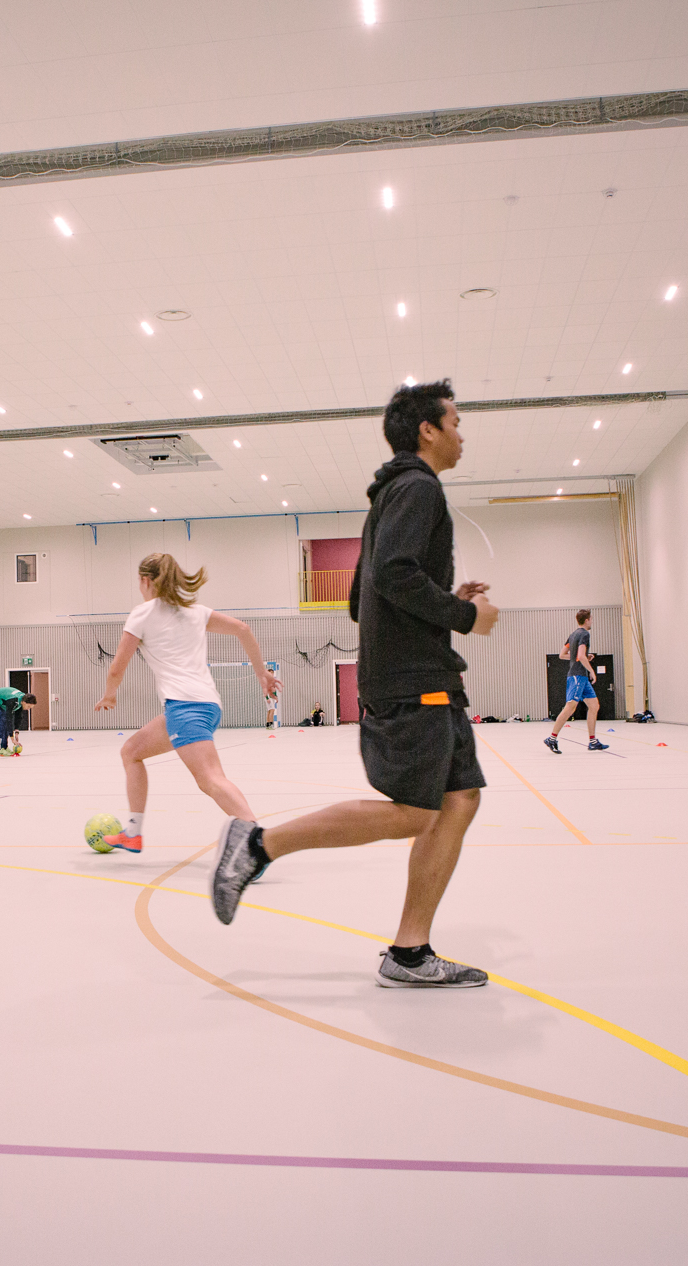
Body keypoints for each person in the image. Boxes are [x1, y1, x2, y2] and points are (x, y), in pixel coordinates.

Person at [207, 379, 500, 987]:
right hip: (413, 679)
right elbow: (391, 576)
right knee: (416, 813)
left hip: (423, 674)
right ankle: (258, 845)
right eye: (455, 423)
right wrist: (463, 614)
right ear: (428, 430)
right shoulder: (418, 488)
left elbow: (358, 600)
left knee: (460, 799)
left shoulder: (390, 497)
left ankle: (409, 954)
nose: (462, 435)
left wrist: (442, 598)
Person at [95, 553, 279, 855]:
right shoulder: (196, 611)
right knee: (131, 751)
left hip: (185, 708)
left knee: (210, 780)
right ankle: (133, 833)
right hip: (206, 705)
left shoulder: (142, 614)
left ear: (145, 580)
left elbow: (117, 667)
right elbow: (243, 630)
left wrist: (110, 694)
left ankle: (259, 843)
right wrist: (262, 673)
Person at [544, 609, 605, 753]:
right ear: (587, 620)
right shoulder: (584, 634)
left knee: (594, 706)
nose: (592, 621)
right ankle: (552, 738)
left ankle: (592, 741)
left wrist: (582, 657)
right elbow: (581, 656)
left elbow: (562, 654)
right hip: (578, 676)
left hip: (580, 677)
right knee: (570, 707)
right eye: (591, 619)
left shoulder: (573, 635)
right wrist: (591, 670)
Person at [0, 684, 36, 755]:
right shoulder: (13, 701)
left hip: (0, 703)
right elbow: (9, 719)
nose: (28, 709)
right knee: (2, 721)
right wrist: (12, 739)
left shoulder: (22, 700)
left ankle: (5, 747)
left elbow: (18, 717)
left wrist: (16, 731)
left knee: (4, 721)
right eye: (28, 706)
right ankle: (0, 749)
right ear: (24, 702)